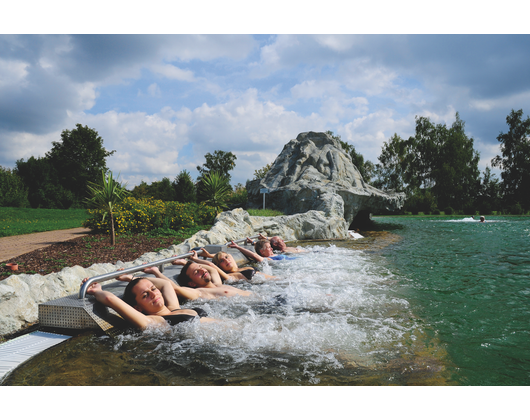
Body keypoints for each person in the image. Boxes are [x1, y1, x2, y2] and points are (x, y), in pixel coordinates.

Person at [81, 270, 214, 331]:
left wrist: (131, 277)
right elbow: (110, 299)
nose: (153, 294)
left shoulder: (174, 308)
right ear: (138, 308)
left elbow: (165, 284)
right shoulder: (156, 322)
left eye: (153, 289)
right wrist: (97, 290)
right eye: (145, 295)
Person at [172, 252, 253, 299]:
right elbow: (176, 289)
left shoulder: (217, 284)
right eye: (196, 272)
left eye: (201, 267)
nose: (202, 270)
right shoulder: (200, 293)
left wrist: (184, 262)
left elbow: (212, 268)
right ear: (192, 284)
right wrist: (158, 272)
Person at [198, 248, 277, 281]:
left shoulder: (236, 267)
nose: (226, 260)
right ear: (219, 267)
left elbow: (228, 254)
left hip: (274, 280)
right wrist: (195, 259)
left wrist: (208, 255)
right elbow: (211, 265)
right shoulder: (230, 276)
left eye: (226, 257)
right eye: (221, 261)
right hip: (270, 283)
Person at [229, 239, 297, 263]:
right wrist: (238, 247)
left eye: (271, 247)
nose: (272, 249)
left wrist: (253, 242)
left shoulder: (273, 255)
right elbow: (254, 255)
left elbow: (260, 246)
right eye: (269, 248)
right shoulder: (266, 259)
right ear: (262, 252)